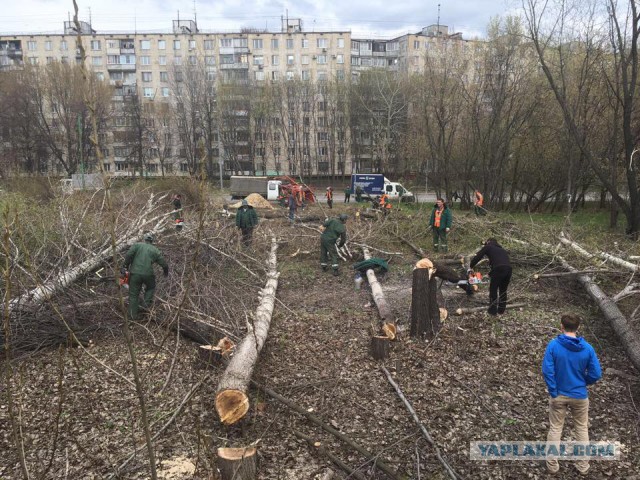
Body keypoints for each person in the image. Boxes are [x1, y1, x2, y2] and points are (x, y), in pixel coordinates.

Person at [542, 313, 602, 475]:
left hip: (558, 395)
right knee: (581, 429)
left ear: (561, 326)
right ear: (578, 328)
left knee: (555, 428)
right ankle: (583, 466)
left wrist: (553, 390)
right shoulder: (587, 348)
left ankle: (552, 465)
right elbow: (596, 373)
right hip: (580, 396)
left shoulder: (553, 345)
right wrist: (584, 382)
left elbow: (547, 371)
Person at [123, 233, 168, 319]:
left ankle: (132, 316)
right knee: (151, 287)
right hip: (148, 274)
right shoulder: (155, 250)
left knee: (133, 294)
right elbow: (163, 263)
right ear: (152, 241)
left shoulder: (137, 245)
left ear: (144, 239)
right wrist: (166, 271)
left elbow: (129, 255)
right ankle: (144, 306)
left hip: (135, 273)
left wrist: (125, 266)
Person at [469, 238, 512, 315]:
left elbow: (478, 256)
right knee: (503, 290)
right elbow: (500, 262)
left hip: (499, 269)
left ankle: (492, 311)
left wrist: (470, 266)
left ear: (488, 242)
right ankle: (501, 310)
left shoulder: (488, 246)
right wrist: (490, 274)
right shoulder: (502, 250)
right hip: (508, 269)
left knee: (493, 289)